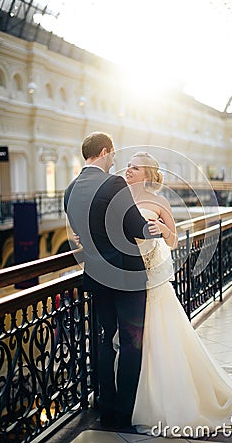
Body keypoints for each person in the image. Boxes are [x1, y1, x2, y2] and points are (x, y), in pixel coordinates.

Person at [120, 152, 232, 437]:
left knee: (160, 336)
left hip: (153, 278)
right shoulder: (119, 200)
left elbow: (174, 240)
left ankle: (167, 399)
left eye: (135, 167)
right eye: (127, 165)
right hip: (128, 280)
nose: (128, 169)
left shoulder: (159, 202)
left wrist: (164, 228)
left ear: (148, 174)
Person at [64, 132, 160, 429]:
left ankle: (106, 408)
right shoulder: (113, 182)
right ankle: (124, 412)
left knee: (105, 341)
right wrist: (154, 228)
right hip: (126, 276)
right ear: (105, 152)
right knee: (131, 343)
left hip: (95, 276)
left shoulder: (70, 189)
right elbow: (136, 226)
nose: (115, 161)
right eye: (114, 155)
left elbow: (81, 231)